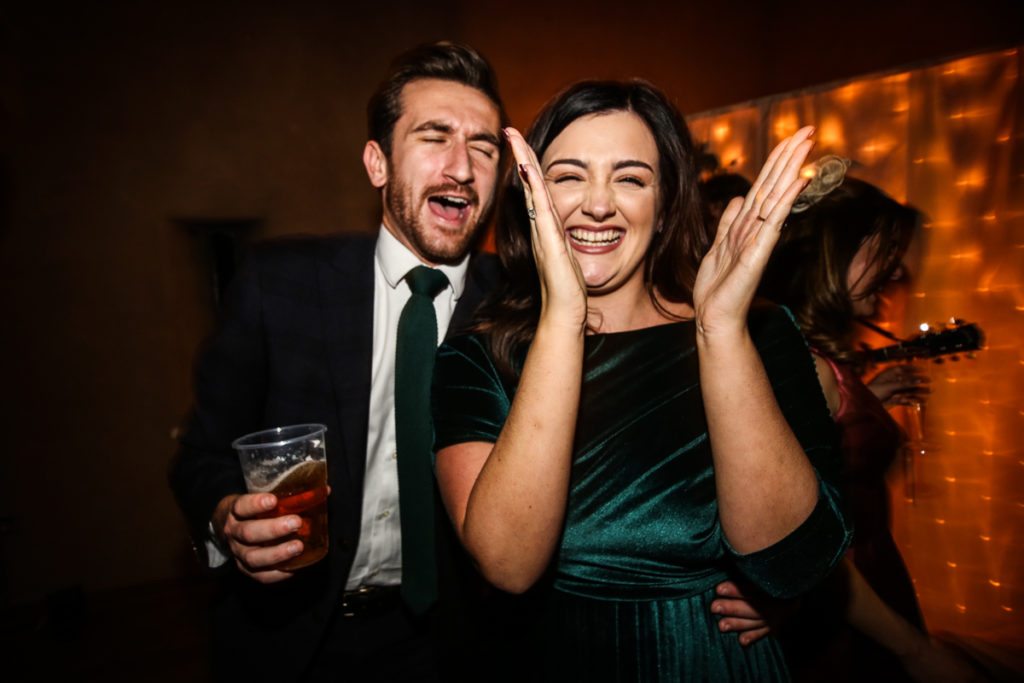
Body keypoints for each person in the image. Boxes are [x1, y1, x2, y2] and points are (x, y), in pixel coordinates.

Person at [430, 80, 851, 681]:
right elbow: (508, 564)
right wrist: (563, 317)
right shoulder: (478, 357)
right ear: (532, 195)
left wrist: (721, 330)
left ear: (666, 202)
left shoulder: (758, 333)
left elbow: (789, 566)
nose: (598, 204)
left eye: (630, 177)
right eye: (569, 175)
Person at [169, 42, 507, 683]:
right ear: (378, 162)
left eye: (484, 148)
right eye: (434, 137)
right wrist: (225, 516)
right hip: (287, 639)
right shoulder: (280, 284)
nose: (461, 167)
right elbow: (200, 454)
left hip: (451, 645)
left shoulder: (519, 311)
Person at [759, 173, 981, 682]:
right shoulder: (805, 366)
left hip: (864, 582)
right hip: (845, 595)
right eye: (883, 251)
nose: (895, 268)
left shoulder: (818, 360)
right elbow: (800, 536)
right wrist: (915, 650)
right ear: (835, 254)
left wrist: (866, 402)